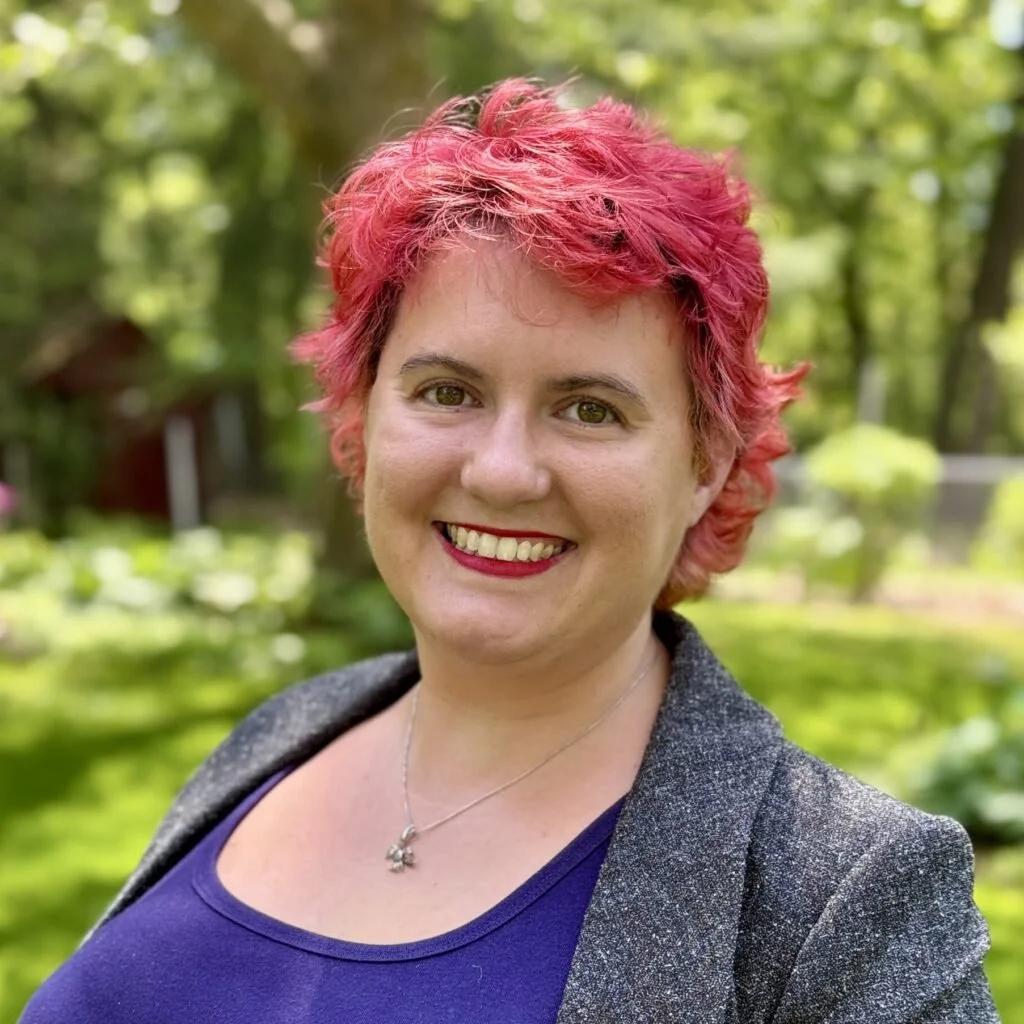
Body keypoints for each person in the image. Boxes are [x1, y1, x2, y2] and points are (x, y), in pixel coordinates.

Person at [21, 80, 998, 1024]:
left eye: (588, 408)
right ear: (363, 416)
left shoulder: (842, 894)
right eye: (447, 391)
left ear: (704, 463)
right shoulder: (283, 736)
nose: (500, 471)